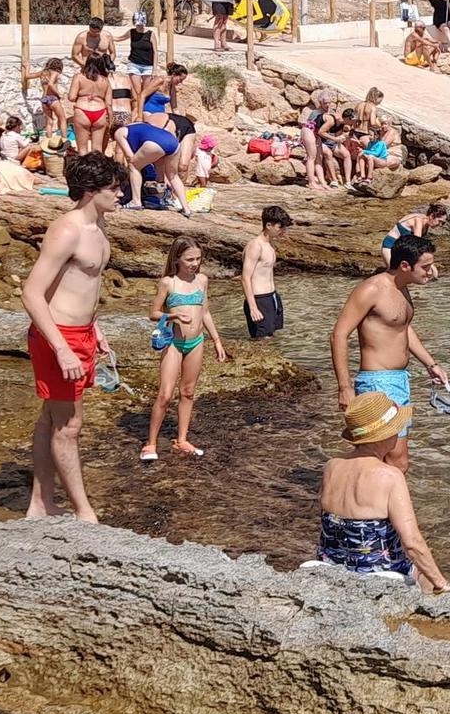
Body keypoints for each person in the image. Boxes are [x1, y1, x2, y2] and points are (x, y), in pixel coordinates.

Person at [21, 152, 125, 523]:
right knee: (70, 426)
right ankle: (85, 513)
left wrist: (94, 329)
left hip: (79, 334)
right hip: (58, 337)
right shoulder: (67, 230)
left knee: (52, 418)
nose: (120, 195)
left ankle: (40, 504)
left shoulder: (99, 227)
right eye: (114, 188)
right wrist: (63, 349)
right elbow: (32, 292)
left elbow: (84, 286)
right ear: (89, 190)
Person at [330, 234, 449, 465]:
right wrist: (344, 387)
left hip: (399, 380)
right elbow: (338, 335)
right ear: (405, 265)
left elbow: (403, 328)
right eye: (426, 266)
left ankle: (369, 498)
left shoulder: (402, 287)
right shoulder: (372, 289)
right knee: (395, 460)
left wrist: (431, 364)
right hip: (377, 382)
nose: (431, 271)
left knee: (390, 460)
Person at [319, 392, 450, 594]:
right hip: (376, 572)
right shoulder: (390, 476)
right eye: (396, 427)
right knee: (429, 580)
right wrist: (441, 583)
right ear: (384, 434)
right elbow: (412, 544)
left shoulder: (332, 466)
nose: (399, 431)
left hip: (331, 566)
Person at [140, 239, 228, 461]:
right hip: (173, 344)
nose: (194, 264)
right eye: (189, 259)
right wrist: (173, 315)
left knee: (188, 392)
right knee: (165, 394)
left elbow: (205, 312)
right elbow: (153, 313)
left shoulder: (202, 280)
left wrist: (216, 340)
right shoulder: (168, 283)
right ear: (177, 258)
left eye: (198, 259)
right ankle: (150, 444)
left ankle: (182, 439)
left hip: (196, 342)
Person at [115, 92, 189, 212]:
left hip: (154, 143)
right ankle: (186, 208)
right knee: (173, 176)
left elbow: (130, 157)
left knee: (133, 166)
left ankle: (136, 201)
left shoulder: (119, 132)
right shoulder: (136, 125)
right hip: (173, 141)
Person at [244, 205, 292, 339]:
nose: (283, 231)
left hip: (272, 297)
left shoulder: (270, 245)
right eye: (280, 227)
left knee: (271, 337)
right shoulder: (255, 246)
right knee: (262, 340)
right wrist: (253, 307)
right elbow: (245, 278)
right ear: (268, 225)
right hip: (259, 299)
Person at [24, 57, 69, 136]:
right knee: (62, 119)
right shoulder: (54, 73)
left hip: (44, 99)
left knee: (49, 122)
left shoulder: (42, 73)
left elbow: (27, 76)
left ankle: (48, 141)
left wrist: (27, 66)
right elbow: (51, 84)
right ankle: (65, 139)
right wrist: (59, 94)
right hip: (53, 98)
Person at [382, 202, 448, 254]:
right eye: (440, 221)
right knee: (393, 270)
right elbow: (417, 243)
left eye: (443, 223)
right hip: (389, 246)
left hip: (401, 250)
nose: (440, 224)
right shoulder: (418, 220)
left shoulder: (426, 224)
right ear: (432, 216)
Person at [122, 11, 157, 94]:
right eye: (137, 24)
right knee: (137, 92)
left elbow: (155, 52)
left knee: (146, 92)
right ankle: (137, 107)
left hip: (148, 66)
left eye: (141, 24)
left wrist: (154, 69)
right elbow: (120, 38)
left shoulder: (150, 34)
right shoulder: (131, 32)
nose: (139, 26)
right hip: (135, 65)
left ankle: (143, 106)